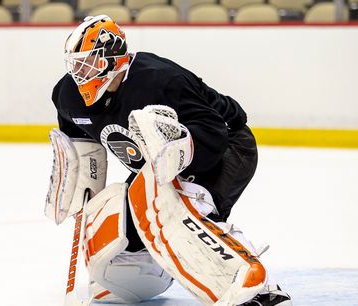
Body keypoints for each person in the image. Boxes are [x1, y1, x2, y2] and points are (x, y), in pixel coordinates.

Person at [45, 15, 291, 306]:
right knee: (119, 217)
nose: (80, 73)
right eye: (76, 64)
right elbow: (82, 145)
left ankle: (258, 287)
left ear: (113, 58)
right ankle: (132, 279)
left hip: (225, 146)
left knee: (177, 209)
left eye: (89, 63)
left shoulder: (159, 81)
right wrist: (82, 184)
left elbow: (214, 130)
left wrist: (177, 164)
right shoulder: (68, 95)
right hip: (158, 162)